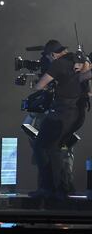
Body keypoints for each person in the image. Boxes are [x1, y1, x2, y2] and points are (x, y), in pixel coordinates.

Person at [32, 39, 90, 200]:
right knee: (55, 148)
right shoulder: (78, 60)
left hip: (62, 114)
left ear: (53, 54)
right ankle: (61, 188)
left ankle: (50, 189)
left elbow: (40, 85)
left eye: (49, 57)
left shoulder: (58, 64)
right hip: (77, 114)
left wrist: (38, 84)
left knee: (41, 147)